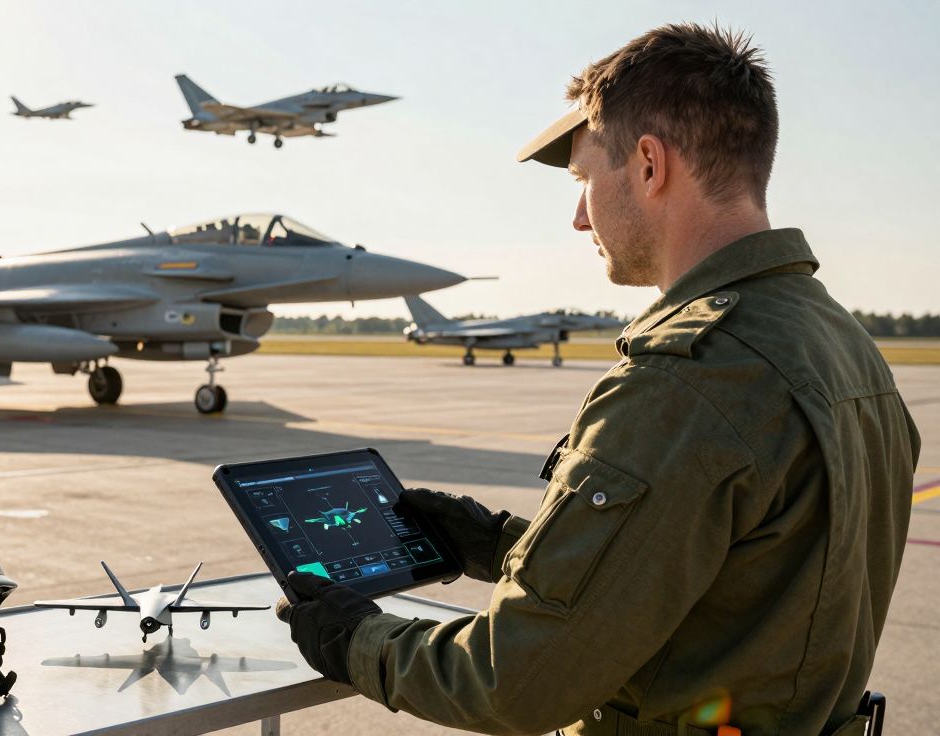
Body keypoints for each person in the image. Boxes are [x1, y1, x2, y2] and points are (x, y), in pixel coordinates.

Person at [275, 23, 919, 736]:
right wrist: (495, 544)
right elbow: (718, 582)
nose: (579, 217)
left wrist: (356, 640)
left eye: (584, 180)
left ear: (648, 165)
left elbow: (513, 684)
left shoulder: (687, 381)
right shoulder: (842, 345)